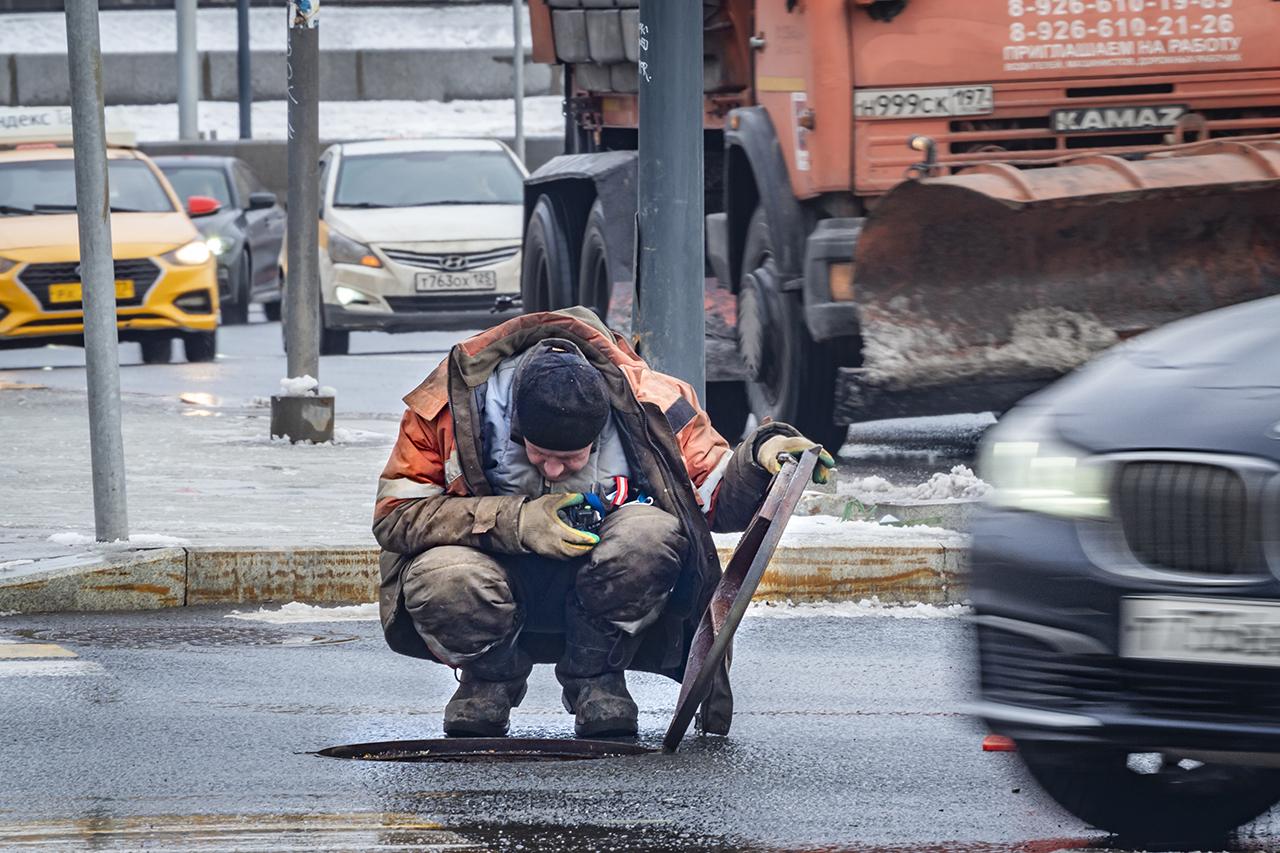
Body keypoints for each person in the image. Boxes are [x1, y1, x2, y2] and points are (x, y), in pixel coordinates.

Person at [373, 308, 834, 738]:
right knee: (444, 575)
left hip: (603, 584)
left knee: (650, 534)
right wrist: (518, 520)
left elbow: (715, 498)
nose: (553, 471)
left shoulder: (654, 403)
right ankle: (487, 684)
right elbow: (395, 518)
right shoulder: (449, 405)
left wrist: (759, 456)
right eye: (539, 454)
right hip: (490, 573)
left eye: (570, 458)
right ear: (515, 425)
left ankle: (597, 682)